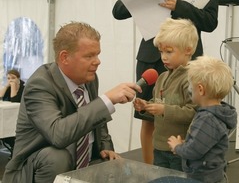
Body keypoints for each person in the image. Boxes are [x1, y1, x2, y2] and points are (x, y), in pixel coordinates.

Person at [2, 21, 142, 183]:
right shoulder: (40, 84)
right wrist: (107, 100)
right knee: (56, 157)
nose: (97, 61)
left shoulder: (89, 77)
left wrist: (105, 146)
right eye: (89, 56)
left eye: (97, 54)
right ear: (64, 57)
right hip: (36, 169)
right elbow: (58, 135)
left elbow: (95, 117)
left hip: (82, 162)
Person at [112, 0, 218, 164]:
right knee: (148, 117)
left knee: (190, 115)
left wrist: (179, 6)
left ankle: (186, 168)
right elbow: (118, 11)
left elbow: (210, 22)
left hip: (188, 60)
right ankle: (150, 171)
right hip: (152, 59)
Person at [133, 18, 198, 171]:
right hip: (159, 147)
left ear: (188, 50)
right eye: (161, 51)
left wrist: (164, 110)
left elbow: (195, 113)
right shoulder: (162, 77)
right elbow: (159, 103)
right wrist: (146, 106)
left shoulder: (191, 79)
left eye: (169, 52)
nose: (163, 57)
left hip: (180, 149)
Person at [167, 56, 237, 182]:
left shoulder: (207, 119)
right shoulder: (218, 113)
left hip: (203, 178)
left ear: (200, 89)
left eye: (191, 86)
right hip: (214, 175)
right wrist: (187, 143)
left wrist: (177, 147)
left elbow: (193, 152)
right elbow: (204, 143)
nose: (190, 90)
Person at [0, 69, 25, 156]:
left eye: (13, 78)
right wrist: (7, 86)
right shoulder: (9, 87)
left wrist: (13, 86)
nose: (10, 80)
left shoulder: (23, 88)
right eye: (8, 78)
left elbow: (15, 100)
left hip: (21, 117)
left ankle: (16, 150)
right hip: (10, 116)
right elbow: (0, 96)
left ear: (18, 78)